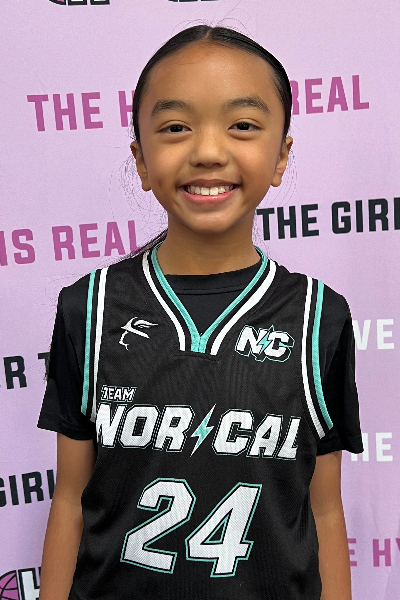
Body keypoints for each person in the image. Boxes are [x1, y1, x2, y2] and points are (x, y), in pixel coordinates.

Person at [37, 24, 363, 600]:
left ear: (281, 155)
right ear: (141, 159)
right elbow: (69, 500)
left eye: (242, 125)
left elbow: (324, 511)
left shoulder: (319, 317)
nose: (208, 151)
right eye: (175, 127)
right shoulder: (89, 308)